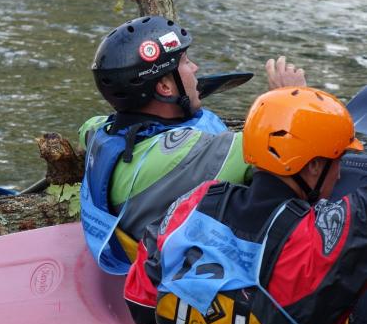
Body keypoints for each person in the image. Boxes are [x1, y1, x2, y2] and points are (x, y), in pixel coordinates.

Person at [122, 86, 367, 324]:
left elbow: (139, 304)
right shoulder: (319, 240)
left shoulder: (193, 204)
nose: (339, 174)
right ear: (312, 167)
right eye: (336, 161)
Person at [79, 14, 306, 276]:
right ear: (164, 87)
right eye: (186, 62)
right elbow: (275, 146)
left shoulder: (100, 133)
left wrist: (183, 94)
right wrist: (290, 98)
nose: (196, 68)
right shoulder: (189, 153)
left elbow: (87, 125)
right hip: (186, 280)